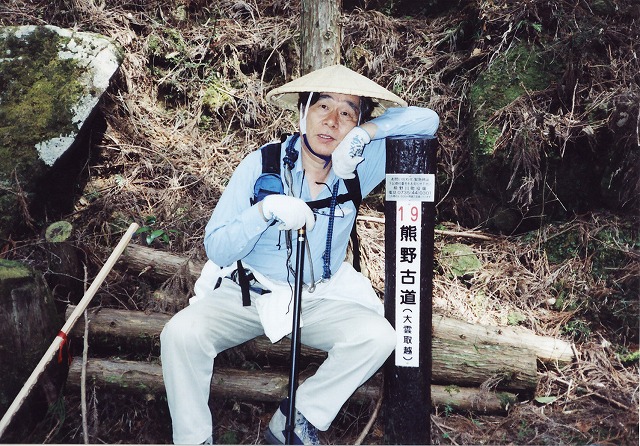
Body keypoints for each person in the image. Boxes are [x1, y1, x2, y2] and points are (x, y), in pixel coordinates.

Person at [160, 64, 439, 445]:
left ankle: (297, 420)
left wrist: (368, 134)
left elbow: (427, 120)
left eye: (347, 113)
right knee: (180, 334)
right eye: (322, 106)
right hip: (249, 293)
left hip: (317, 296)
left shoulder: (358, 166)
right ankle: (194, 440)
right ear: (303, 111)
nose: (332, 122)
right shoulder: (262, 164)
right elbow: (217, 246)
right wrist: (263, 212)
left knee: (378, 337)